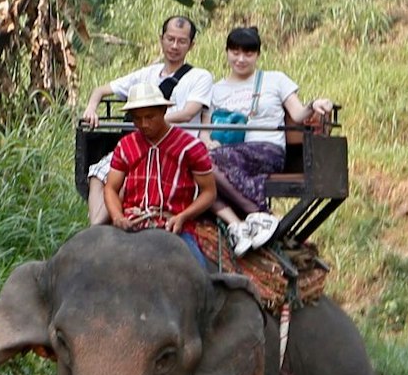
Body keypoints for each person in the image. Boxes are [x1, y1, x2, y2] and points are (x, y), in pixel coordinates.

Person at [204, 24, 334, 255]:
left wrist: (313, 105)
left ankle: (259, 212)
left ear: (257, 55)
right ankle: (237, 225)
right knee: (198, 167)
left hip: (266, 150)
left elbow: (297, 114)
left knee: (213, 160)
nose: (241, 59)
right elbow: (205, 126)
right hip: (228, 152)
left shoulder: (275, 80)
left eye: (248, 53)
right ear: (226, 52)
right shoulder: (215, 90)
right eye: (235, 52)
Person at [81, 16, 214, 225]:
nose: (174, 46)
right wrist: (91, 108)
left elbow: (189, 112)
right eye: (170, 39)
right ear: (161, 39)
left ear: (191, 45)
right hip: (140, 145)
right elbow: (101, 90)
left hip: (175, 147)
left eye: (181, 41)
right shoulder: (146, 74)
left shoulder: (199, 77)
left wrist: (152, 120)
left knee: (132, 179)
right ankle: (97, 228)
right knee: (99, 173)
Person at [103, 89, 217, 262]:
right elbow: (111, 188)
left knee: (196, 269)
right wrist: (117, 217)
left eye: (150, 117)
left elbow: (209, 192)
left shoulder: (191, 147)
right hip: (132, 221)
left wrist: (183, 217)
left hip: (174, 223)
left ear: (163, 111)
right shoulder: (125, 145)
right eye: (137, 119)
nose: (144, 124)